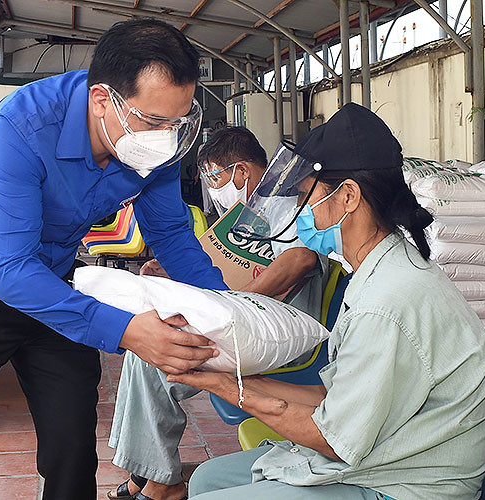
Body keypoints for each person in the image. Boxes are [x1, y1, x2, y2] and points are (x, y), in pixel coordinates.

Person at [0, 19, 227, 500]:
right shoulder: (24, 126)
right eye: (155, 122)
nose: (166, 136)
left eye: (178, 122)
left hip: (51, 286)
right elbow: (9, 270)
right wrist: (127, 331)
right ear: (102, 100)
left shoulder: (155, 139)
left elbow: (171, 231)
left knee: (72, 451)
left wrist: (224, 309)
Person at [168, 104, 485, 500]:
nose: (300, 210)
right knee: (206, 480)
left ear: (347, 197)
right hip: (383, 454)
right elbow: (334, 398)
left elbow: (333, 437)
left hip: (406, 485)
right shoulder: (380, 269)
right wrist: (232, 377)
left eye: (307, 195)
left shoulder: (387, 301)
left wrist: (228, 387)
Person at [108, 127, 325, 500]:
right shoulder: (243, 217)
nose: (212, 188)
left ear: (240, 172)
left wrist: (238, 304)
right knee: (145, 344)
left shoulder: (289, 207)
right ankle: (144, 474)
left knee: (157, 357)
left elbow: (300, 259)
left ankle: (160, 482)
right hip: (242, 325)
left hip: (273, 336)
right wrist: (172, 273)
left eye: (214, 177)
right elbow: (217, 271)